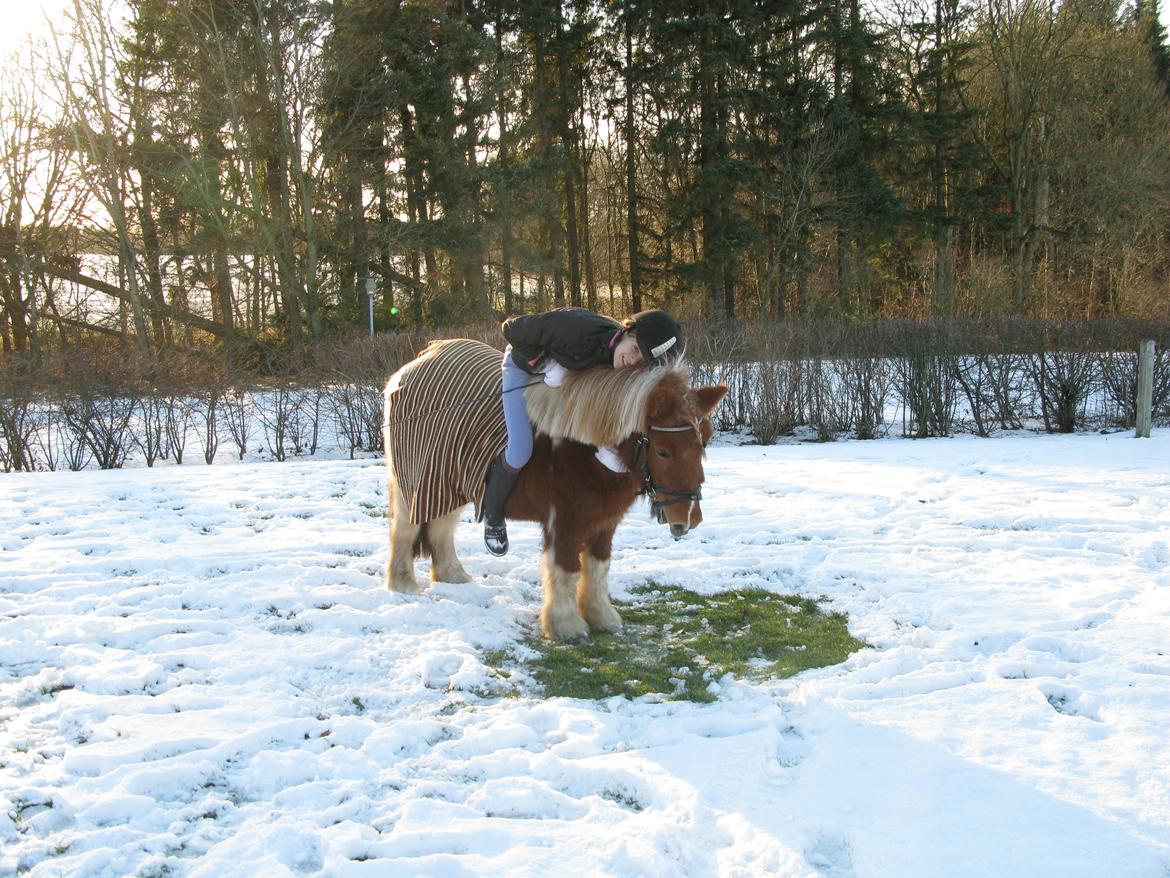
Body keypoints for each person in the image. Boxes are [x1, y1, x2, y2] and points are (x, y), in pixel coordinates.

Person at [481, 307, 683, 556]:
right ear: (628, 330)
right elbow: (511, 329)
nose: (632, 362)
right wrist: (545, 362)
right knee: (520, 450)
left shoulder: (620, 360)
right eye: (635, 350)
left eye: (641, 362)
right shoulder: (575, 328)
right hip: (525, 368)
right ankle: (493, 515)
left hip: (570, 382)